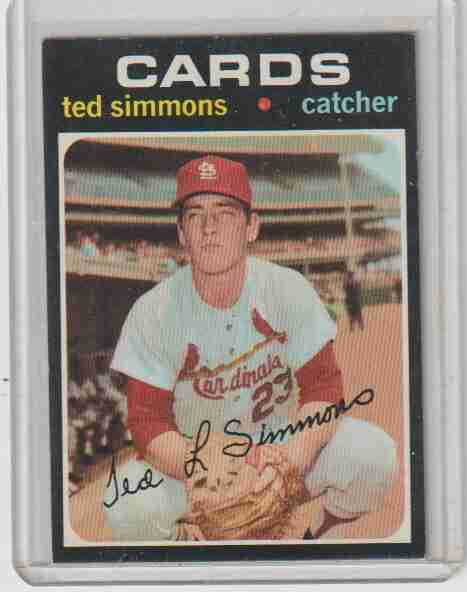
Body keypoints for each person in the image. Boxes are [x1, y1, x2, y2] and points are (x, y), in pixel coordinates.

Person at [104, 155, 397, 541]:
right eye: (195, 215)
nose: (209, 227)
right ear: (182, 233)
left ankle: (316, 542)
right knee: (126, 504)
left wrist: (291, 458)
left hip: (279, 451)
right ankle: (192, 556)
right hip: (196, 463)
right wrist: (202, 466)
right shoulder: (153, 311)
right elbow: (146, 420)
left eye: (225, 213)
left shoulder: (286, 288)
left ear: (251, 227)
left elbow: (324, 388)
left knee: (373, 454)